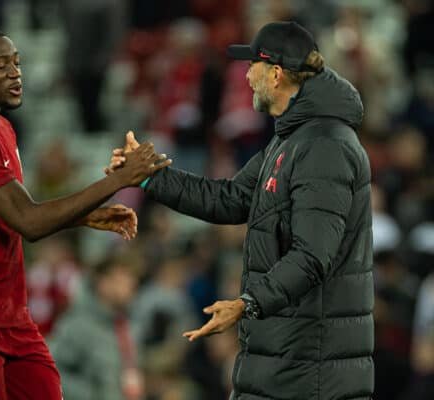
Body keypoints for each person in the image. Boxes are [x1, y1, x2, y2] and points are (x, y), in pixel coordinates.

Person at [109, 21, 373, 400]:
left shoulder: (323, 145)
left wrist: (247, 304)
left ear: (277, 74)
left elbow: (314, 255)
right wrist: (148, 176)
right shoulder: (293, 139)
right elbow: (230, 199)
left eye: (252, 67)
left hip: (310, 370)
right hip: (284, 359)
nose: (246, 76)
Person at [0, 26, 170, 400]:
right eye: (0, 66)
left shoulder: (3, 130)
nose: (15, 73)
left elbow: (7, 210)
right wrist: (120, 180)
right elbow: (27, 221)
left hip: (8, 313)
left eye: (16, 63)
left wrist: (82, 217)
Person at [50, 255, 143, 400]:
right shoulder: (77, 325)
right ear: (103, 283)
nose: (132, 284)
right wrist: (92, 396)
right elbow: (52, 372)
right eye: (124, 279)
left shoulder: (128, 325)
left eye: (132, 278)